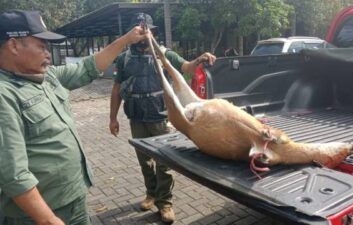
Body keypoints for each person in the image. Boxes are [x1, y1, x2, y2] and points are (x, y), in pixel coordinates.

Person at [0, 10, 148, 225]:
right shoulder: (5, 94)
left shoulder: (45, 77)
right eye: (41, 46)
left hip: (73, 200)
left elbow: (87, 67)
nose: (48, 53)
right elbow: (13, 174)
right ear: (13, 45)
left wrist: (126, 39)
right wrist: (48, 219)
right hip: (36, 215)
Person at [109, 13, 216, 223]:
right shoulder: (123, 59)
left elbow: (186, 67)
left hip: (161, 118)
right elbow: (116, 90)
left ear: (153, 32)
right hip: (137, 118)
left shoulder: (164, 54)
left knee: (164, 163)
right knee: (144, 162)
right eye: (138, 32)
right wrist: (113, 118)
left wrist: (200, 59)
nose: (143, 35)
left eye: (147, 31)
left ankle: (165, 203)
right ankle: (151, 194)